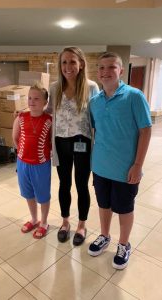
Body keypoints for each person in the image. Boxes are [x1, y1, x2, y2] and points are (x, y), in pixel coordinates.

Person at [88, 52, 152, 269]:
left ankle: (124, 244)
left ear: (121, 71)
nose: (106, 72)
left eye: (111, 67)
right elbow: (95, 131)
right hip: (100, 166)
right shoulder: (94, 101)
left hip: (126, 169)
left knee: (124, 208)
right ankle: (105, 236)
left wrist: (137, 165)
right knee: (104, 205)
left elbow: (145, 131)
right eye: (102, 68)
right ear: (97, 72)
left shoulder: (134, 96)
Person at [47, 46, 99, 246]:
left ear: (81, 64)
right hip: (61, 142)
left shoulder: (91, 86)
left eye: (72, 62)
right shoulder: (54, 88)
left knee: (81, 184)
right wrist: (28, 111)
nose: (68, 66)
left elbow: (98, 114)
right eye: (64, 62)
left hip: (82, 142)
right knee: (64, 184)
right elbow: (50, 109)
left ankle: (82, 225)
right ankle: (65, 222)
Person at [13, 82, 52, 239]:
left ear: (45, 102)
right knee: (28, 193)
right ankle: (34, 219)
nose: (32, 101)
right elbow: (15, 138)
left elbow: (52, 143)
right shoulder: (21, 117)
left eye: (36, 98)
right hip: (23, 163)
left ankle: (44, 222)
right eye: (29, 98)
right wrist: (22, 154)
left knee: (42, 195)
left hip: (41, 165)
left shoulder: (49, 120)